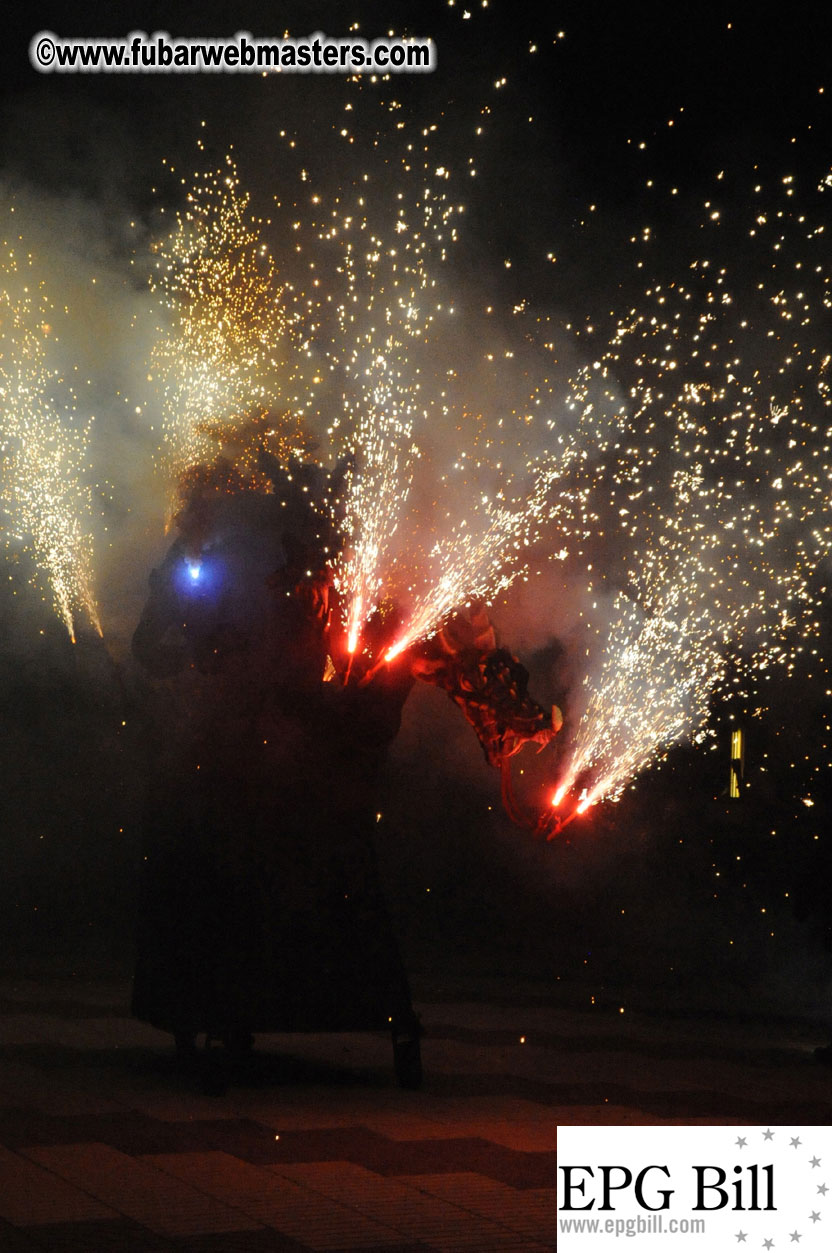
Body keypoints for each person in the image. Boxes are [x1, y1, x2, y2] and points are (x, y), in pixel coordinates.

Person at [131, 460, 559, 1089]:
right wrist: (205, 652)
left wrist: (513, 718)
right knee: (257, 865)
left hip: (316, 766)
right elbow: (156, 645)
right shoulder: (229, 551)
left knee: (308, 871)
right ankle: (232, 1011)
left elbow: (449, 648)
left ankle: (248, 1013)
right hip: (264, 760)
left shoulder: (359, 570)